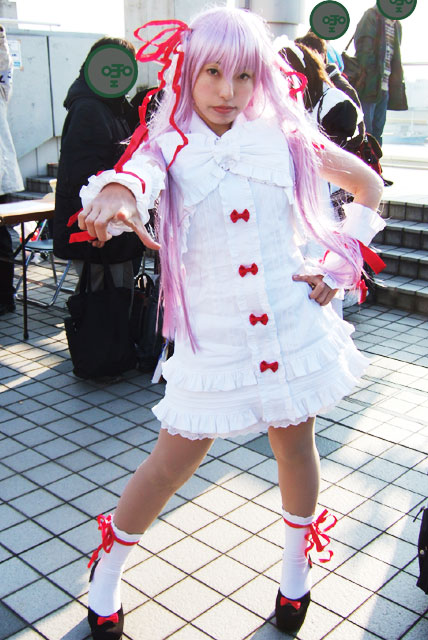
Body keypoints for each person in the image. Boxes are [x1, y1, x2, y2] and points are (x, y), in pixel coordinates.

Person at [75, 7, 384, 638]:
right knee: (169, 464)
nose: (227, 90)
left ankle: (295, 576)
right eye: (212, 72)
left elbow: (368, 186)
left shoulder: (287, 138)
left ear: (261, 78)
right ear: (187, 71)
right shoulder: (168, 142)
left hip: (288, 327)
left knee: (295, 448)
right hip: (213, 339)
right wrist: (117, 194)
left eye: (243, 75)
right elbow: (136, 177)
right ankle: (107, 572)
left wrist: (340, 262)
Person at [53, 37, 144, 299]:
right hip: (99, 233)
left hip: (111, 228)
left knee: (113, 301)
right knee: (104, 306)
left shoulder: (111, 106)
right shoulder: (89, 109)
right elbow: (82, 174)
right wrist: (97, 224)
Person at [354, 3, 407, 147]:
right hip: (369, 84)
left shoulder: (397, 25)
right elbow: (363, 50)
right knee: (366, 131)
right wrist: (369, 77)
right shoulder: (372, 16)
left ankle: (374, 160)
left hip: (385, 85)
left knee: (377, 132)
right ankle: (364, 159)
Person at [0, 24, 24, 316]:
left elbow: (5, 66)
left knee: (2, 242)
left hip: (1, 180)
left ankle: (6, 297)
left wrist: (0, 37)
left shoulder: (1, 92)